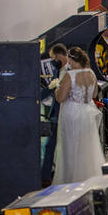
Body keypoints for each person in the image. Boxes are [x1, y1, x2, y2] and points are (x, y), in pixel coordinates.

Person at [52, 46, 105, 184]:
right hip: (87, 112)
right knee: (87, 146)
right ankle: (88, 176)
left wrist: (56, 89)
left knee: (71, 145)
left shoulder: (70, 75)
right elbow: (94, 94)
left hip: (72, 113)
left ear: (70, 59)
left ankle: (71, 179)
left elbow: (60, 98)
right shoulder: (91, 73)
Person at [40, 43, 69, 185]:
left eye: (53, 58)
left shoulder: (70, 70)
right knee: (50, 146)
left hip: (64, 112)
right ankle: (46, 176)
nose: (52, 62)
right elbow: (51, 86)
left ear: (59, 56)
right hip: (56, 113)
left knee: (54, 145)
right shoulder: (58, 71)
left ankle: (48, 176)